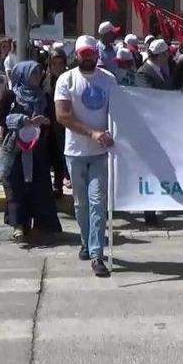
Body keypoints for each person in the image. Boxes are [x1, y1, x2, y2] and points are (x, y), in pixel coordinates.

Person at [55, 35, 118, 278]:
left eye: (91, 53)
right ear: (77, 55)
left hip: (101, 154)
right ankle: (85, 241)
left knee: (97, 203)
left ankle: (96, 254)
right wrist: (92, 133)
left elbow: (120, 109)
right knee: (81, 205)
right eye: (83, 53)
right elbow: (62, 116)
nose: (87, 57)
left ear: (96, 54)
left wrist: (113, 132)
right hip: (75, 153)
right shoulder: (66, 80)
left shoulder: (109, 80)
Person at [0, 61, 63, 244]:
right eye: (33, 74)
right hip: (16, 149)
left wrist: (45, 122)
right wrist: (22, 120)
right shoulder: (11, 95)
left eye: (38, 74)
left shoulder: (44, 97)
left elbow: (53, 119)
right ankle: (19, 225)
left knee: (39, 188)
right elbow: (1, 118)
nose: (37, 77)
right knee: (16, 187)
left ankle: (41, 225)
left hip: (38, 150)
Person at [135, 38, 176, 226]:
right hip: (150, 129)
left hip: (163, 127)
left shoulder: (162, 71)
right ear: (159, 55)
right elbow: (149, 97)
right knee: (151, 170)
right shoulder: (144, 73)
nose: (169, 57)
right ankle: (149, 211)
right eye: (166, 54)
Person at [42, 47, 70, 197]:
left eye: (60, 63)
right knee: (47, 155)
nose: (57, 67)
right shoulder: (44, 79)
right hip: (47, 122)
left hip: (63, 123)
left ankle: (58, 184)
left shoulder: (68, 79)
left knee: (61, 154)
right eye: (54, 64)